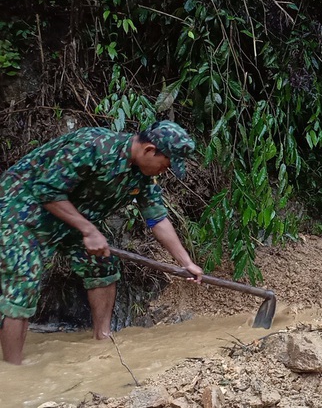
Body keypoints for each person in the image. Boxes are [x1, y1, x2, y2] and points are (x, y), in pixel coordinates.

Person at [0, 121, 203, 365]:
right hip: (21, 212)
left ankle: (102, 341)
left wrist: (186, 262)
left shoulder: (143, 177)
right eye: (166, 164)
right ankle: (14, 369)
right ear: (149, 150)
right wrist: (88, 229)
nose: (165, 170)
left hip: (71, 218)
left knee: (102, 264)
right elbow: (46, 190)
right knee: (24, 280)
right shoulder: (92, 146)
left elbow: (156, 218)